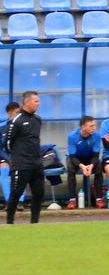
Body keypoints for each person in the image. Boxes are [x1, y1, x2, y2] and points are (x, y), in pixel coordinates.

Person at [4, 92, 42, 224]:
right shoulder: (16, 120)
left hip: (36, 164)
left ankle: (34, 223)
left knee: (38, 194)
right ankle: (9, 222)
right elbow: (7, 143)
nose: (38, 104)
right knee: (16, 194)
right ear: (26, 102)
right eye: (36, 101)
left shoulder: (37, 119)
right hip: (21, 164)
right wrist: (18, 156)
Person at [66, 115, 101, 209]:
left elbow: (96, 155)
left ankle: (99, 199)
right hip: (76, 158)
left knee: (99, 167)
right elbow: (72, 156)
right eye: (91, 126)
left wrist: (91, 166)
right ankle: (72, 200)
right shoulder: (72, 136)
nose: (94, 128)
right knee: (70, 167)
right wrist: (82, 166)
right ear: (83, 126)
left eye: (94, 125)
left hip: (90, 158)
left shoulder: (96, 136)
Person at [0, 101, 18, 206]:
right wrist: (8, 159)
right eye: (16, 112)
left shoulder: (22, 126)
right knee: (4, 169)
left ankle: (20, 201)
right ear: (9, 112)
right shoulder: (1, 127)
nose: (18, 115)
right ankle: (9, 201)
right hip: (4, 157)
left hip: (19, 157)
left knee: (21, 171)